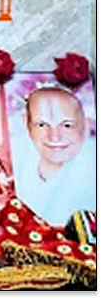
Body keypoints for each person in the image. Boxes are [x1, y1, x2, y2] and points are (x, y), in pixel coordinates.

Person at [13, 85, 96, 226]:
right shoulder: (14, 157)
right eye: (41, 125)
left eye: (67, 125)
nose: (54, 137)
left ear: (86, 127)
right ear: (27, 126)